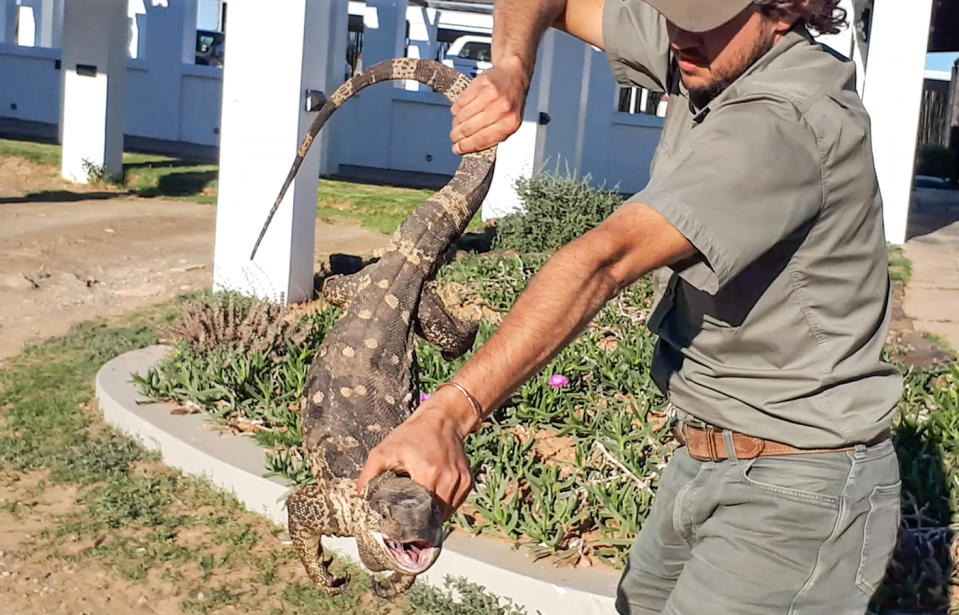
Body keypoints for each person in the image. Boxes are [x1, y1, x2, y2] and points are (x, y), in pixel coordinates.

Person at [357, 0, 903, 612]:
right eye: (675, 13)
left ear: (783, 11)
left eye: (705, 18)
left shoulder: (785, 122)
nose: (683, 36)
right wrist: (512, 65)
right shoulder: (712, 47)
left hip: (795, 483)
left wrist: (448, 415)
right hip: (706, 454)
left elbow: (604, 261)